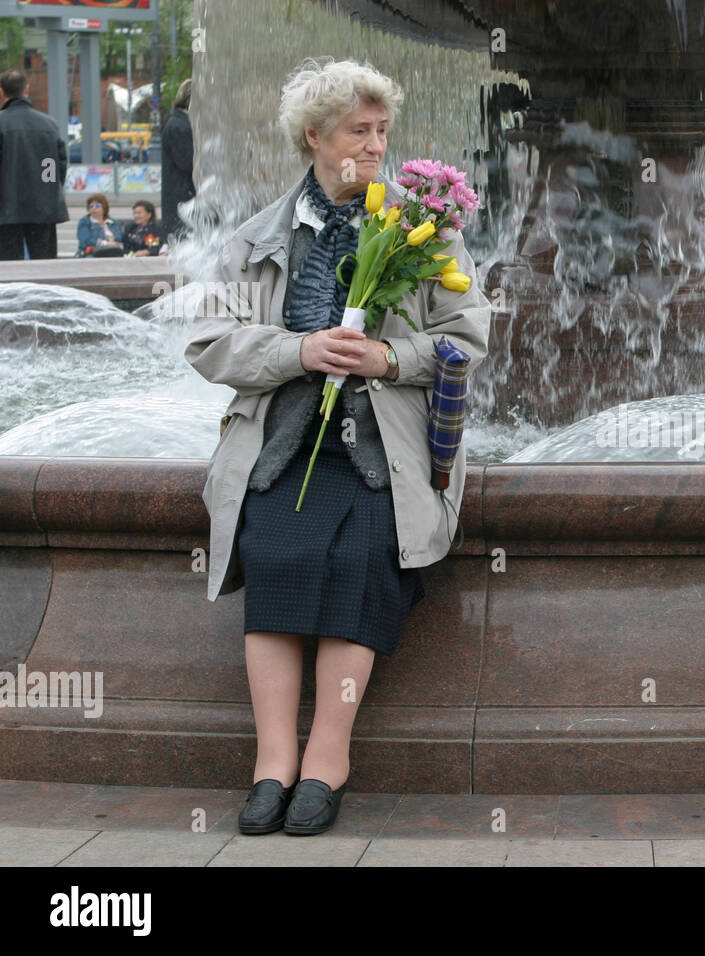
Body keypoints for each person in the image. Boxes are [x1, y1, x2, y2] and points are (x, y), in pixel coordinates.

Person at [185, 58, 490, 836]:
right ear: (315, 137)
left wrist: (389, 359)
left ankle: (327, 758)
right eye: (361, 130)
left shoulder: (427, 235)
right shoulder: (258, 239)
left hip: (382, 450)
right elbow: (210, 343)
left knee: (359, 561)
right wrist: (299, 353)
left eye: (383, 130)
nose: (376, 143)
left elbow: (467, 339)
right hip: (285, 446)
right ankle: (271, 765)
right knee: (277, 559)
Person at [0, 69, 69, 259]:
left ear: (2, 92)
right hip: (43, 207)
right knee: (44, 265)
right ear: (26, 90)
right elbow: (57, 164)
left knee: (8, 269)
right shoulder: (49, 124)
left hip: (5, 209)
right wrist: (48, 189)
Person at [161, 78, 195, 243]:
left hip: (182, 199)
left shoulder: (179, 123)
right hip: (183, 199)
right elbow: (189, 163)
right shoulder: (180, 127)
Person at [75, 193, 125, 257]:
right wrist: (106, 244)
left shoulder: (114, 222)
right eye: (91, 206)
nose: (94, 208)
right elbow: (85, 242)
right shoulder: (85, 222)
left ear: (104, 207)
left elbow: (119, 239)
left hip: (113, 252)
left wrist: (116, 245)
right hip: (91, 253)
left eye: (98, 206)